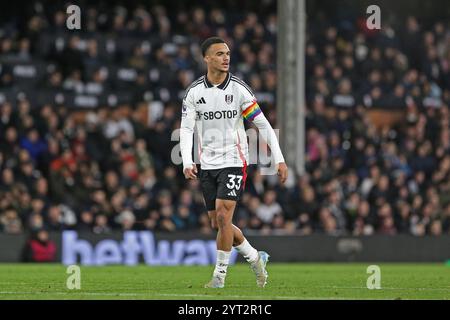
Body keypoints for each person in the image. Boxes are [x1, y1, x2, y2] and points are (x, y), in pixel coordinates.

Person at [180, 37, 288, 288]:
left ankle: (219, 277)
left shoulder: (239, 90)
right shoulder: (195, 92)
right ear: (206, 58)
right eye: (219, 54)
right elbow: (186, 129)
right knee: (217, 222)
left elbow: (262, 125)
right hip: (207, 163)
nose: (226, 58)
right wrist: (187, 160)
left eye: (227, 53)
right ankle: (254, 257)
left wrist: (279, 158)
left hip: (234, 160)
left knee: (222, 215)